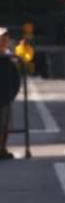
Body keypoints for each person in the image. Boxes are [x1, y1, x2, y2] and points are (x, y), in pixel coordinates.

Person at [0, 28, 21, 161]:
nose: (4, 40)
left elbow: (15, 76)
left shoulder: (8, 55)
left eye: (5, 38)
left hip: (6, 95)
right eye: (2, 38)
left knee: (5, 124)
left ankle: (2, 149)